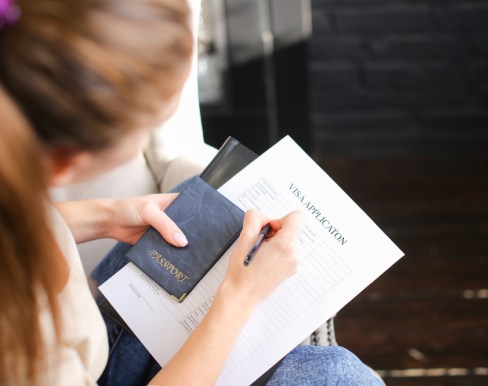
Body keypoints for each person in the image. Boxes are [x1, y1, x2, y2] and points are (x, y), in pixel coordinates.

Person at [0, 0, 385, 385]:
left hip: (90, 338)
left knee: (204, 197)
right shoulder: (21, 347)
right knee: (335, 374)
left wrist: (106, 215)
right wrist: (238, 298)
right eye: (147, 124)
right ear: (70, 159)